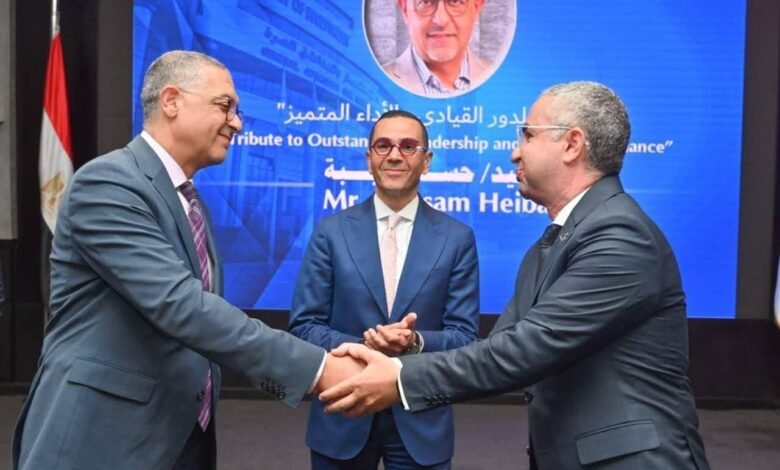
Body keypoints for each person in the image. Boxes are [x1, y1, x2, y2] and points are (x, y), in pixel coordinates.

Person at [321, 82, 711, 469]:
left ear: (572, 145)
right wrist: (411, 351)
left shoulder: (619, 236)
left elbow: (525, 350)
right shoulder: (554, 242)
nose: (514, 152)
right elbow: (501, 346)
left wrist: (399, 379)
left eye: (527, 134)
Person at [12, 50, 360, 470]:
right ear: (172, 101)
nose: (236, 122)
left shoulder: (190, 202)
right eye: (225, 105)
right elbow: (182, 306)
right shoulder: (108, 183)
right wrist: (319, 368)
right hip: (102, 436)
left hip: (178, 433)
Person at [289, 109, 480, 469]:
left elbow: (464, 336)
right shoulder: (330, 233)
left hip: (421, 414)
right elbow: (304, 326)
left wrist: (413, 342)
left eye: (408, 146)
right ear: (369, 158)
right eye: (383, 146)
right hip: (342, 412)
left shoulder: (457, 239)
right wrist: (367, 347)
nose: (394, 155)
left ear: (426, 161)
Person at [382, 0, 491, 97]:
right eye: (426, 2)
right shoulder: (379, 84)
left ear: (476, 7)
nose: (441, 20)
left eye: (455, 1)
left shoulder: (498, 82)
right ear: (404, 9)